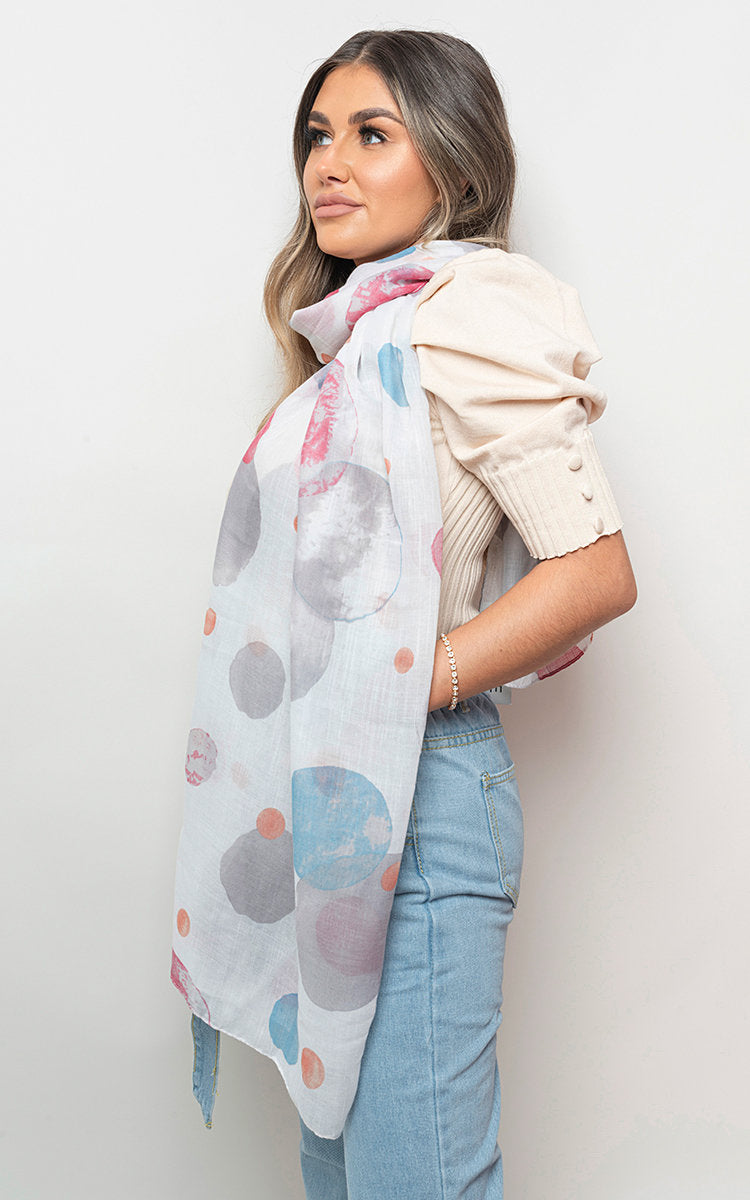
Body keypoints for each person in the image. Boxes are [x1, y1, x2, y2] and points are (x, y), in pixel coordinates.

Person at [170, 28, 637, 1200]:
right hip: (335, 796)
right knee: (346, 1174)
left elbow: (595, 569)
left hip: (421, 796)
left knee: (415, 1184)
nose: (329, 163)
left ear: (454, 167)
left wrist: (398, 687)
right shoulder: (359, 339)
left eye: (372, 134)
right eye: (318, 135)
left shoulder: (472, 317)